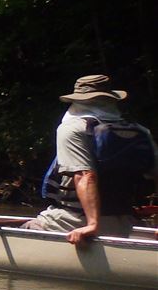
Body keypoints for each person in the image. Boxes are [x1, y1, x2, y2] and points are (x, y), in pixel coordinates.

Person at [24, 75, 157, 245]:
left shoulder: (72, 129)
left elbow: (85, 176)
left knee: (29, 226)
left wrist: (92, 225)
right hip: (123, 225)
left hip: (73, 222)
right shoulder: (140, 131)